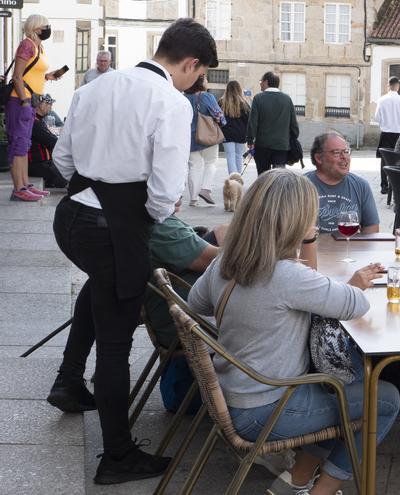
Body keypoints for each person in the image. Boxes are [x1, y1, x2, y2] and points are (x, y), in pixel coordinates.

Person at [49, 18, 218, 484]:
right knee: (116, 340)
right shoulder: (170, 100)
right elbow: (164, 193)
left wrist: (100, 182)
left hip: (72, 218)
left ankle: (68, 381)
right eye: (197, 74)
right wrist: (151, 204)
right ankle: (118, 457)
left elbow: (62, 160)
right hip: (114, 229)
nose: (194, 82)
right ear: (190, 64)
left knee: (106, 300)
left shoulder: (98, 85)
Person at [188, 170, 399, 495]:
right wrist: (315, 244)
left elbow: (195, 301)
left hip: (231, 393)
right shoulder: (287, 275)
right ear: (297, 220)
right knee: (383, 398)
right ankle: (322, 491)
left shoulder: (226, 260)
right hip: (265, 409)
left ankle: (294, 482)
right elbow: (355, 304)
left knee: (341, 393)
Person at [143, 200, 226, 413]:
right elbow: (227, 261)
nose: (179, 191)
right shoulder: (160, 226)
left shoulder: (156, 221)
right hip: (195, 334)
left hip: (188, 330)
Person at [6, 14, 64, 202]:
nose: (48, 28)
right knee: (18, 146)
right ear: (37, 27)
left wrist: (48, 77)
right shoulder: (27, 45)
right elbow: (17, 76)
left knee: (24, 145)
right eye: (46, 25)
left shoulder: (39, 46)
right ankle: (18, 189)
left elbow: (33, 74)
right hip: (20, 101)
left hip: (30, 102)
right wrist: (23, 100)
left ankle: (25, 185)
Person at [306, 131, 380, 233]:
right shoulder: (300, 187)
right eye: (336, 152)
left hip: (349, 247)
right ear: (319, 158)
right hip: (311, 248)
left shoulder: (361, 186)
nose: (344, 157)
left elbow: (371, 230)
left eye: (346, 151)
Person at [184, 75, 226, 207]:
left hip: (189, 138)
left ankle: (193, 199)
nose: (207, 81)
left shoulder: (184, 98)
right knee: (211, 163)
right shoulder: (207, 97)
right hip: (208, 136)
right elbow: (218, 115)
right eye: (205, 79)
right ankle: (205, 189)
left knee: (194, 167)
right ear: (200, 83)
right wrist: (222, 122)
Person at [247, 71, 299, 175]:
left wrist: (250, 140)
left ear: (266, 82)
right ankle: (277, 192)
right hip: (281, 146)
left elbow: (252, 122)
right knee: (278, 177)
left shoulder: (258, 98)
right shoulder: (287, 99)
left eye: (261, 81)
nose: (260, 84)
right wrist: (291, 138)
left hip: (262, 145)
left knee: (263, 176)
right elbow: (294, 125)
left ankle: (264, 191)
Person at [374, 76, 400, 194]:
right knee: (399, 160)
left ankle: (384, 186)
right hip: (398, 134)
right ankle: (394, 186)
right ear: (398, 86)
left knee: (384, 160)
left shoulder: (381, 100)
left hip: (385, 133)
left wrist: (385, 122)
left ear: (388, 86)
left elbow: (377, 117)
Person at [28, 94, 67, 189]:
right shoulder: (35, 123)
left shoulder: (37, 120)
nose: (51, 106)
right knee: (68, 177)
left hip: (42, 163)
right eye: (48, 103)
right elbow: (52, 142)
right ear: (40, 105)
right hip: (37, 165)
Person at [219, 80, 250, 175]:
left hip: (226, 134)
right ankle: (238, 179)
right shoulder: (244, 103)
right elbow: (248, 121)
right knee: (239, 156)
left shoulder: (221, 102)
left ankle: (233, 179)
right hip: (241, 134)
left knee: (230, 156)